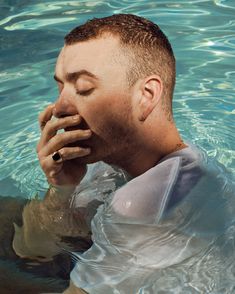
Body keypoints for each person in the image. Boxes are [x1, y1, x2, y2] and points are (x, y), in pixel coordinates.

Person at [12, 14, 235, 293]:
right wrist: (61, 187)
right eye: (60, 87)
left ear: (146, 95)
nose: (58, 108)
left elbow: (36, 257)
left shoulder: (150, 202)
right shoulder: (116, 155)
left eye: (83, 88)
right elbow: (31, 249)